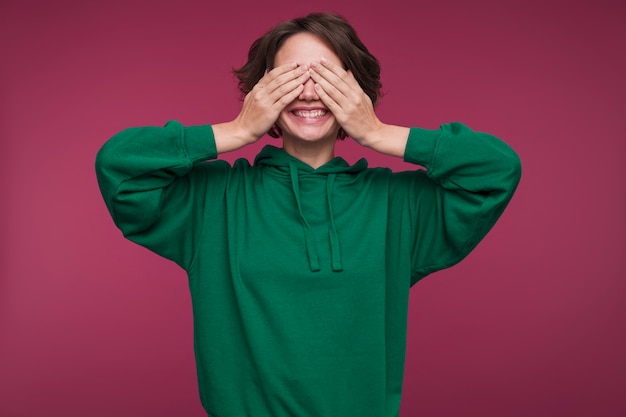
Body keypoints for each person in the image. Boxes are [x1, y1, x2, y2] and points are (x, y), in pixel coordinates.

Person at [95, 12, 521, 417]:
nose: (308, 91)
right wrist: (240, 129)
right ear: (263, 91)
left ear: (357, 91)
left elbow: (497, 169)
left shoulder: (398, 206)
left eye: (328, 77)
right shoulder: (214, 200)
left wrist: (376, 132)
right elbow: (119, 165)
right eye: (290, 77)